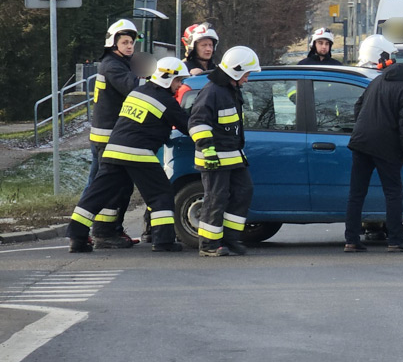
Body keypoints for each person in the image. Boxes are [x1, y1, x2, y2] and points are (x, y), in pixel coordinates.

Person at [67, 57, 191, 253]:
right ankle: (163, 241)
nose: (180, 85)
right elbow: (187, 126)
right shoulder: (166, 101)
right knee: (160, 193)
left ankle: (77, 238)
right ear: (168, 78)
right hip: (139, 152)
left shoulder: (138, 92)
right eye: (179, 81)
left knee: (96, 195)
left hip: (113, 150)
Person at [343, 55, 403, 252]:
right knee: (393, 193)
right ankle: (396, 240)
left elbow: (358, 106)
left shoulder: (378, 80)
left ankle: (351, 240)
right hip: (386, 147)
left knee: (356, 193)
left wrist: (365, 128)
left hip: (361, 142)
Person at [189, 46, 261, 257]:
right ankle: (209, 244)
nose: (247, 79)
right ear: (236, 72)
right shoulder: (212, 91)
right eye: (246, 74)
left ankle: (230, 238)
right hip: (214, 157)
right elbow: (197, 122)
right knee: (215, 198)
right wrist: (207, 149)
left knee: (243, 191)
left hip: (232, 156)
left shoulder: (230, 89)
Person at [85, 19, 143, 248]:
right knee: (109, 186)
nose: (130, 46)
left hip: (112, 136)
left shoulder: (119, 63)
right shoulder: (112, 65)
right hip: (108, 138)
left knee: (110, 185)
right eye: (125, 42)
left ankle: (110, 230)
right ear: (113, 43)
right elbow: (134, 87)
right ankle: (102, 233)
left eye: (132, 42)